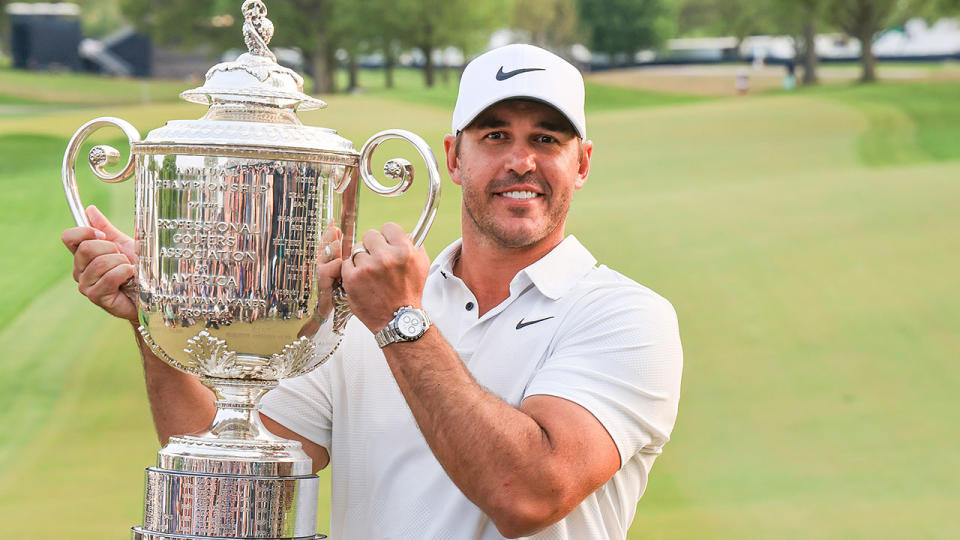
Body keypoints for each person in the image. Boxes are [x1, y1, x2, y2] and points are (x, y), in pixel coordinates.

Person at [61, 44, 683, 539]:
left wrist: (400, 321)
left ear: (582, 163)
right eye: (494, 135)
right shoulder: (362, 309)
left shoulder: (627, 317)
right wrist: (156, 317)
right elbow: (227, 469)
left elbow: (527, 495)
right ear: (455, 158)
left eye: (546, 138)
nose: (521, 160)